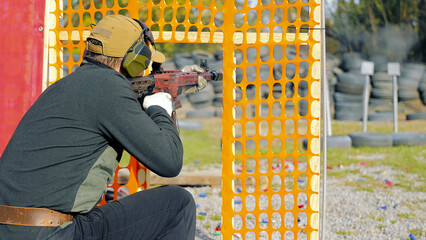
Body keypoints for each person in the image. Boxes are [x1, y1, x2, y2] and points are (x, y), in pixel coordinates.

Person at [0, 15, 203, 240]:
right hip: (52, 233)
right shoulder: (109, 87)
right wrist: (160, 109)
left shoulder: (67, 85)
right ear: (134, 59)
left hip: (13, 229)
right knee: (177, 204)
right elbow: (169, 161)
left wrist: (177, 88)